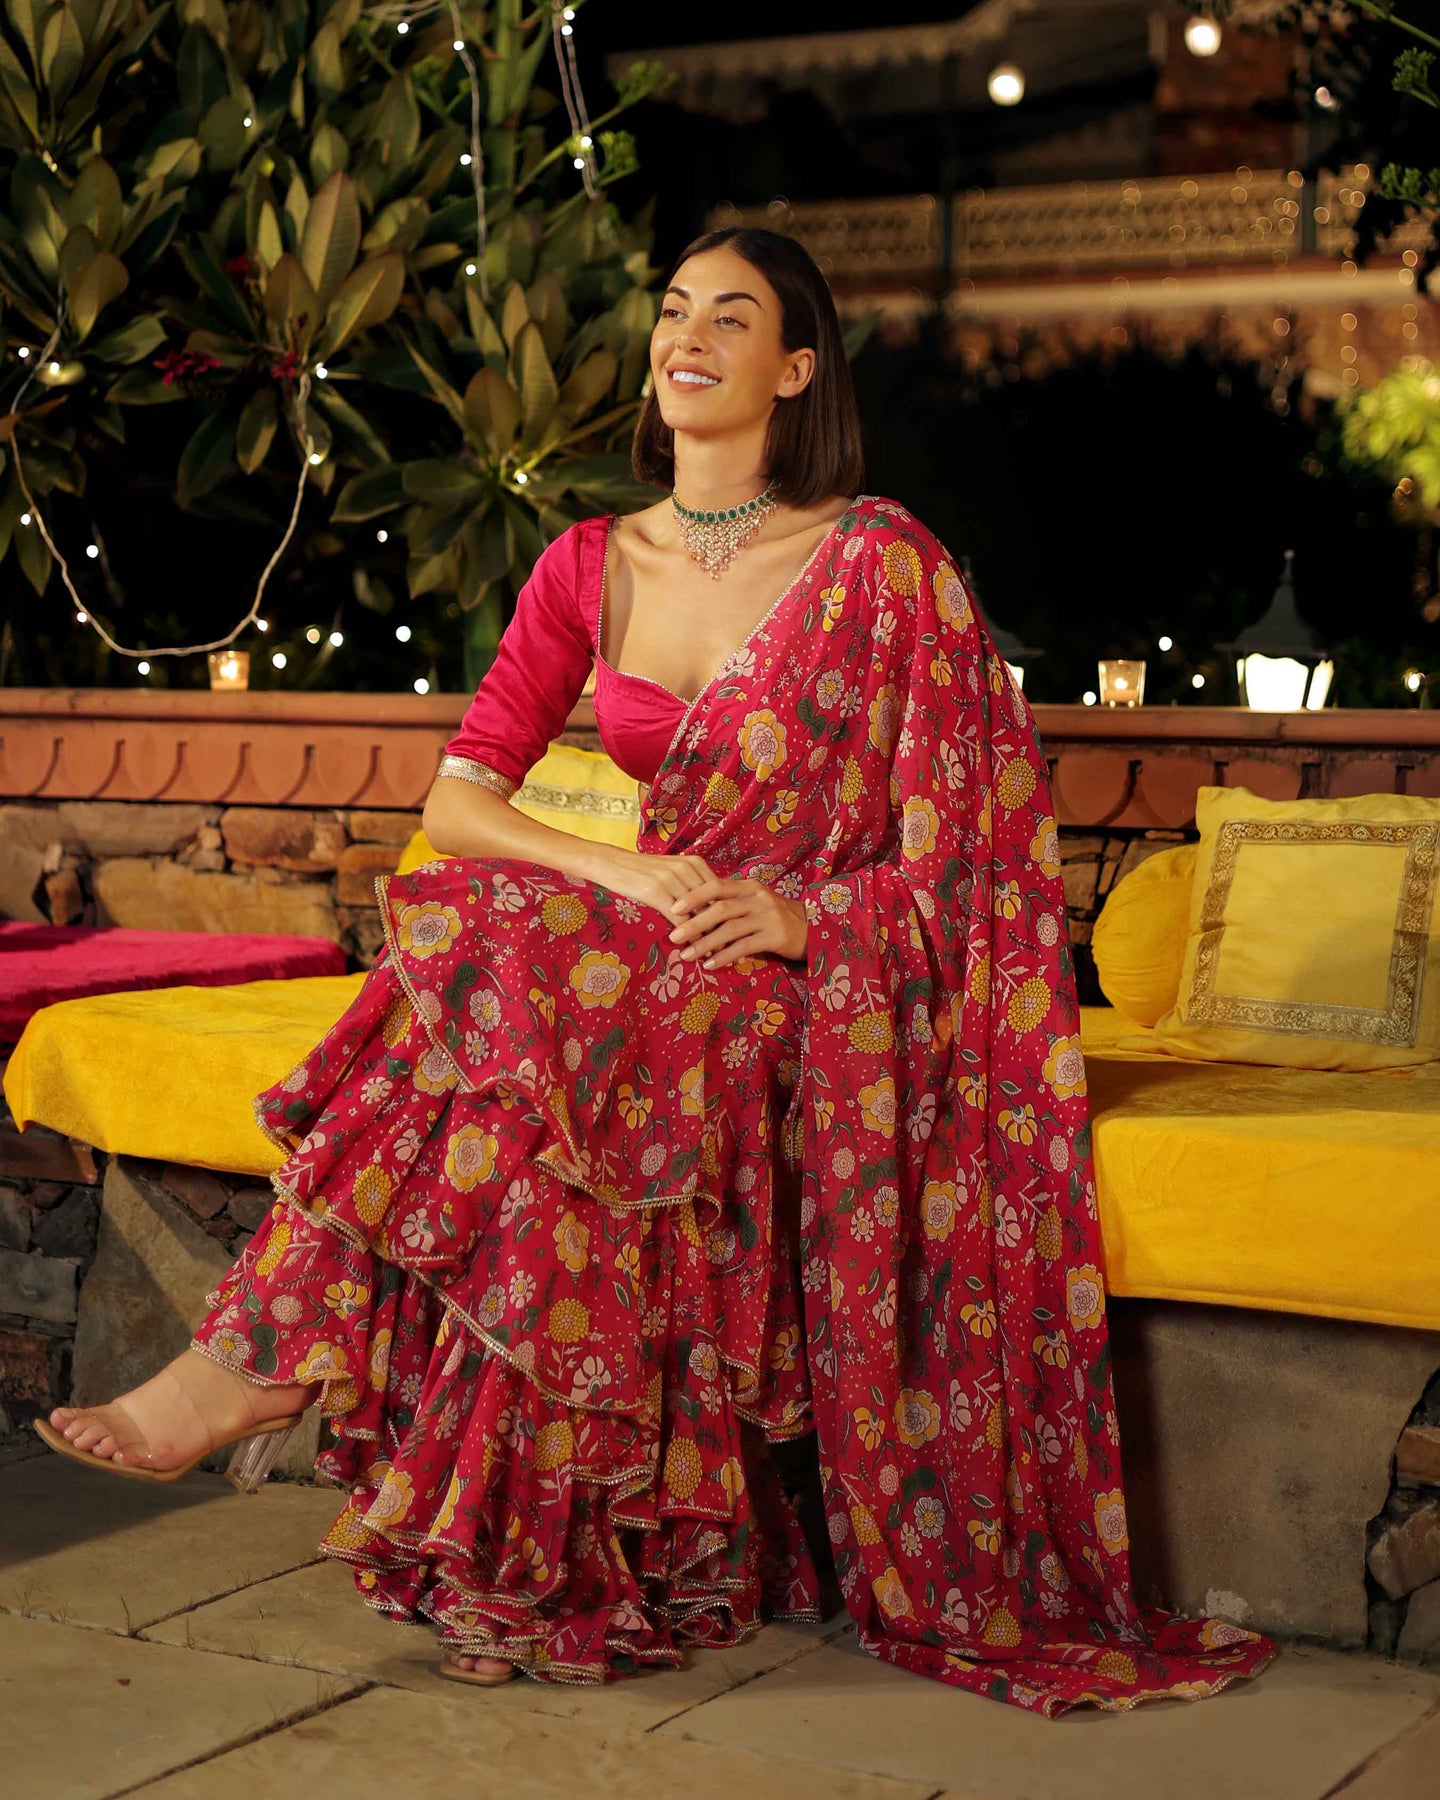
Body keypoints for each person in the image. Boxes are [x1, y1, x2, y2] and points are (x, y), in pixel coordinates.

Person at [36, 226, 1275, 1715]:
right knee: (526, 1019)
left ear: (794, 370)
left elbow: (976, 865)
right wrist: (619, 867)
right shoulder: (590, 562)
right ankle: (499, 1546)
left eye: (729, 318)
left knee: (526, 1009)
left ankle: (274, 1376)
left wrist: (808, 922)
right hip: (651, 943)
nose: (686, 336)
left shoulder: (884, 569)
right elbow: (461, 801)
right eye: (675, 310)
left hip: (801, 986)